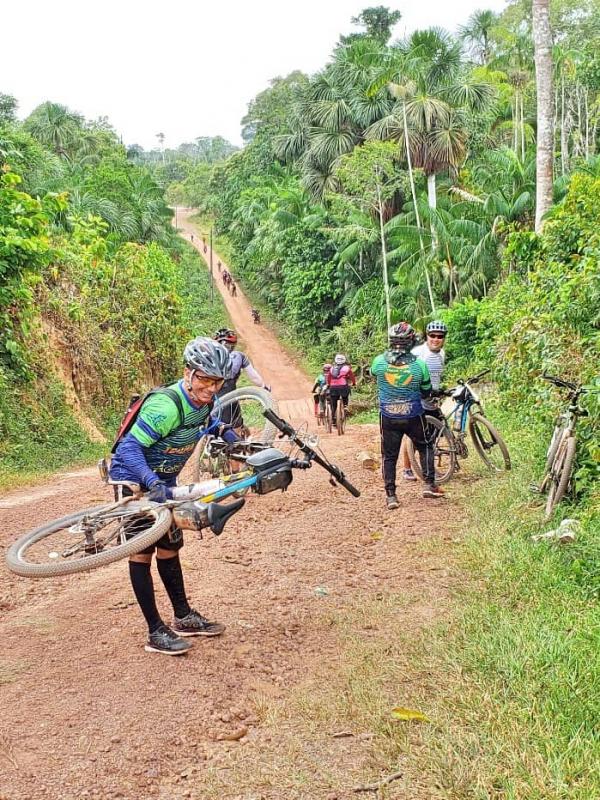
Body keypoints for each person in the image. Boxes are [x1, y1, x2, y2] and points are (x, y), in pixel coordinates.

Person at [109, 337, 233, 655]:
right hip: (134, 479)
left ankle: (183, 616)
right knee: (142, 552)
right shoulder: (166, 406)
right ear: (188, 373)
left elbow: (209, 424)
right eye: (204, 378)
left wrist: (230, 435)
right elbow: (129, 447)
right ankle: (155, 631)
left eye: (217, 381)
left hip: (166, 480)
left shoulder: (204, 403)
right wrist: (151, 481)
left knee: (170, 547)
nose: (211, 387)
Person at [371, 322, 443, 509]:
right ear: (411, 341)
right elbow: (426, 391)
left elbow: (373, 375)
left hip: (388, 415)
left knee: (389, 456)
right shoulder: (419, 365)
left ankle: (391, 496)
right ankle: (429, 484)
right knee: (425, 446)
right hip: (413, 415)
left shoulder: (378, 361)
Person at [401, 320, 448, 481]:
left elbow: (437, 375)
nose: (436, 339)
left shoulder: (442, 354)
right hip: (417, 399)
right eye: (432, 335)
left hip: (433, 400)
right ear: (426, 336)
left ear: (444, 338)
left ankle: (429, 468)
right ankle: (407, 469)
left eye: (440, 336)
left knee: (432, 437)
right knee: (414, 436)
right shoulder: (416, 353)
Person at [213, 328, 271, 433]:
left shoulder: (208, 358)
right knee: (235, 430)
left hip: (210, 401)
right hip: (230, 400)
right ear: (233, 345)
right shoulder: (239, 356)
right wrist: (264, 387)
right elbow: (254, 377)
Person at [326, 354, 356, 424]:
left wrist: (328, 384)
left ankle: (333, 418)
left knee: (334, 404)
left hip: (333, 387)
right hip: (343, 386)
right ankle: (345, 406)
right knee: (345, 395)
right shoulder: (347, 368)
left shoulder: (331, 368)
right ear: (344, 360)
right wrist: (354, 383)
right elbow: (352, 377)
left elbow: (329, 378)